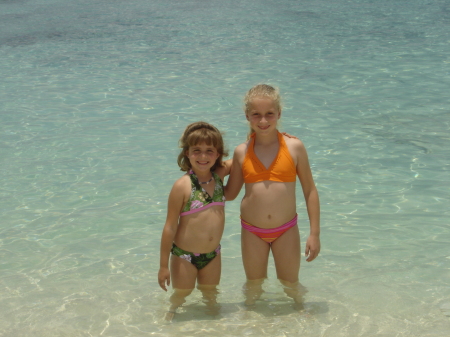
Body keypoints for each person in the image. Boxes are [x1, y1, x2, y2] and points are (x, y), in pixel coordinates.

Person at [225, 84, 320, 307]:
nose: (263, 121)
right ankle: (249, 323)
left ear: (279, 113)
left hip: (285, 229)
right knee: (253, 285)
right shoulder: (242, 151)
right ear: (247, 115)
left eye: (269, 114)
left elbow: (310, 190)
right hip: (252, 231)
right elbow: (230, 194)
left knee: (291, 284)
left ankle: (302, 321)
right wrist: (208, 170)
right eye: (256, 115)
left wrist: (314, 233)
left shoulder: (294, 147)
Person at [158, 121, 231, 320]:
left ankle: (213, 329)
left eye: (210, 151)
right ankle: (168, 323)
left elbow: (242, 157)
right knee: (181, 295)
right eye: (196, 150)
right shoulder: (182, 186)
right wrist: (163, 266)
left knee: (211, 295)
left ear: (218, 154)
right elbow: (170, 227)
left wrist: (258, 138)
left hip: (213, 255)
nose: (203, 156)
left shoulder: (218, 178)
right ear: (187, 153)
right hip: (185, 256)